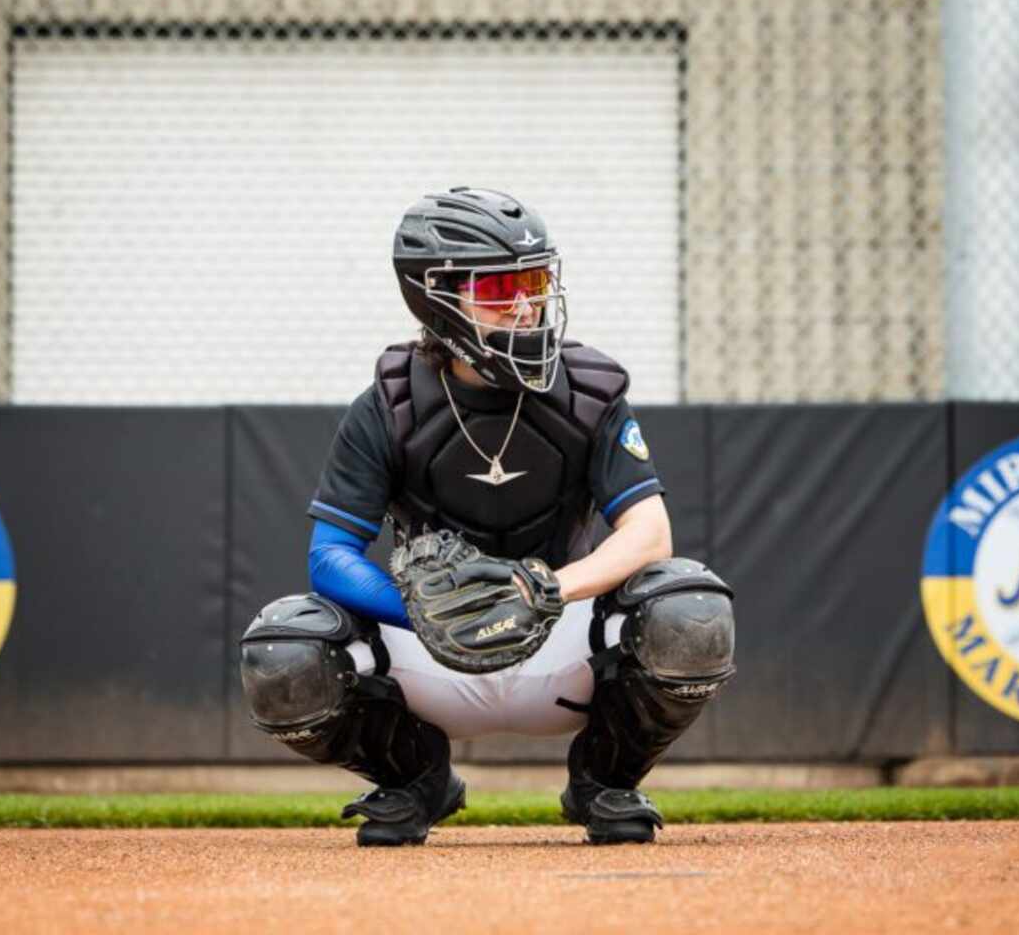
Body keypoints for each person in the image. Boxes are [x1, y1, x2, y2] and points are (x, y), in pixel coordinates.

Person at [238, 186, 736, 847]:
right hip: (429, 651)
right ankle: (415, 777)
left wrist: (545, 589)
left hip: (562, 636)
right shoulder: (387, 405)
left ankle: (605, 783)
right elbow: (328, 556)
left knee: (690, 608)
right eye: (501, 289)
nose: (528, 306)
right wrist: (424, 612)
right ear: (435, 294)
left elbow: (650, 534)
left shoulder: (589, 392)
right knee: (284, 649)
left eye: (534, 282)